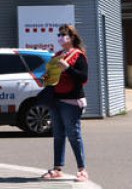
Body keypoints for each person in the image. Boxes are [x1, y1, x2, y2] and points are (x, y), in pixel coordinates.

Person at [41, 24, 89, 183]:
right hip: (56, 100)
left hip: (72, 101)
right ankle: (57, 169)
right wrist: (46, 78)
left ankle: (82, 170)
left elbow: (83, 78)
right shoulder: (58, 54)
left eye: (64, 34)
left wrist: (67, 68)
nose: (60, 37)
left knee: (74, 135)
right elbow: (52, 77)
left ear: (72, 37)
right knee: (58, 135)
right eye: (59, 35)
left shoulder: (78, 55)